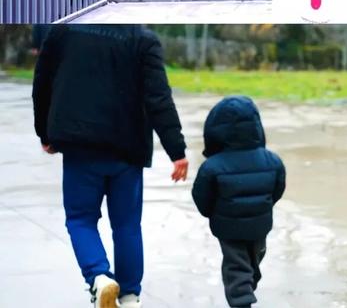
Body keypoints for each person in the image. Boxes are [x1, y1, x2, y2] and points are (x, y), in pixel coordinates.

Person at [32, 24, 188, 308]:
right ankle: (129, 297)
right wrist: (176, 150)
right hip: (127, 150)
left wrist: (45, 132)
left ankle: (99, 276)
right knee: (127, 225)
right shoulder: (143, 39)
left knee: (80, 219)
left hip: (80, 146)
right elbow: (158, 97)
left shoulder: (64, 31)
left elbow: (42, 82)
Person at [192, 96, 285, 308]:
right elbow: (277, 190)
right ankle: (245, 295)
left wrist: (214, 213)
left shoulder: (212, 167)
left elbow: (202, 199)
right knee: (251, 263)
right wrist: (263, 206)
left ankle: (242, 300)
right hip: (259, 225)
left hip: (229, 227)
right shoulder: (273, 160)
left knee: (237, 267)